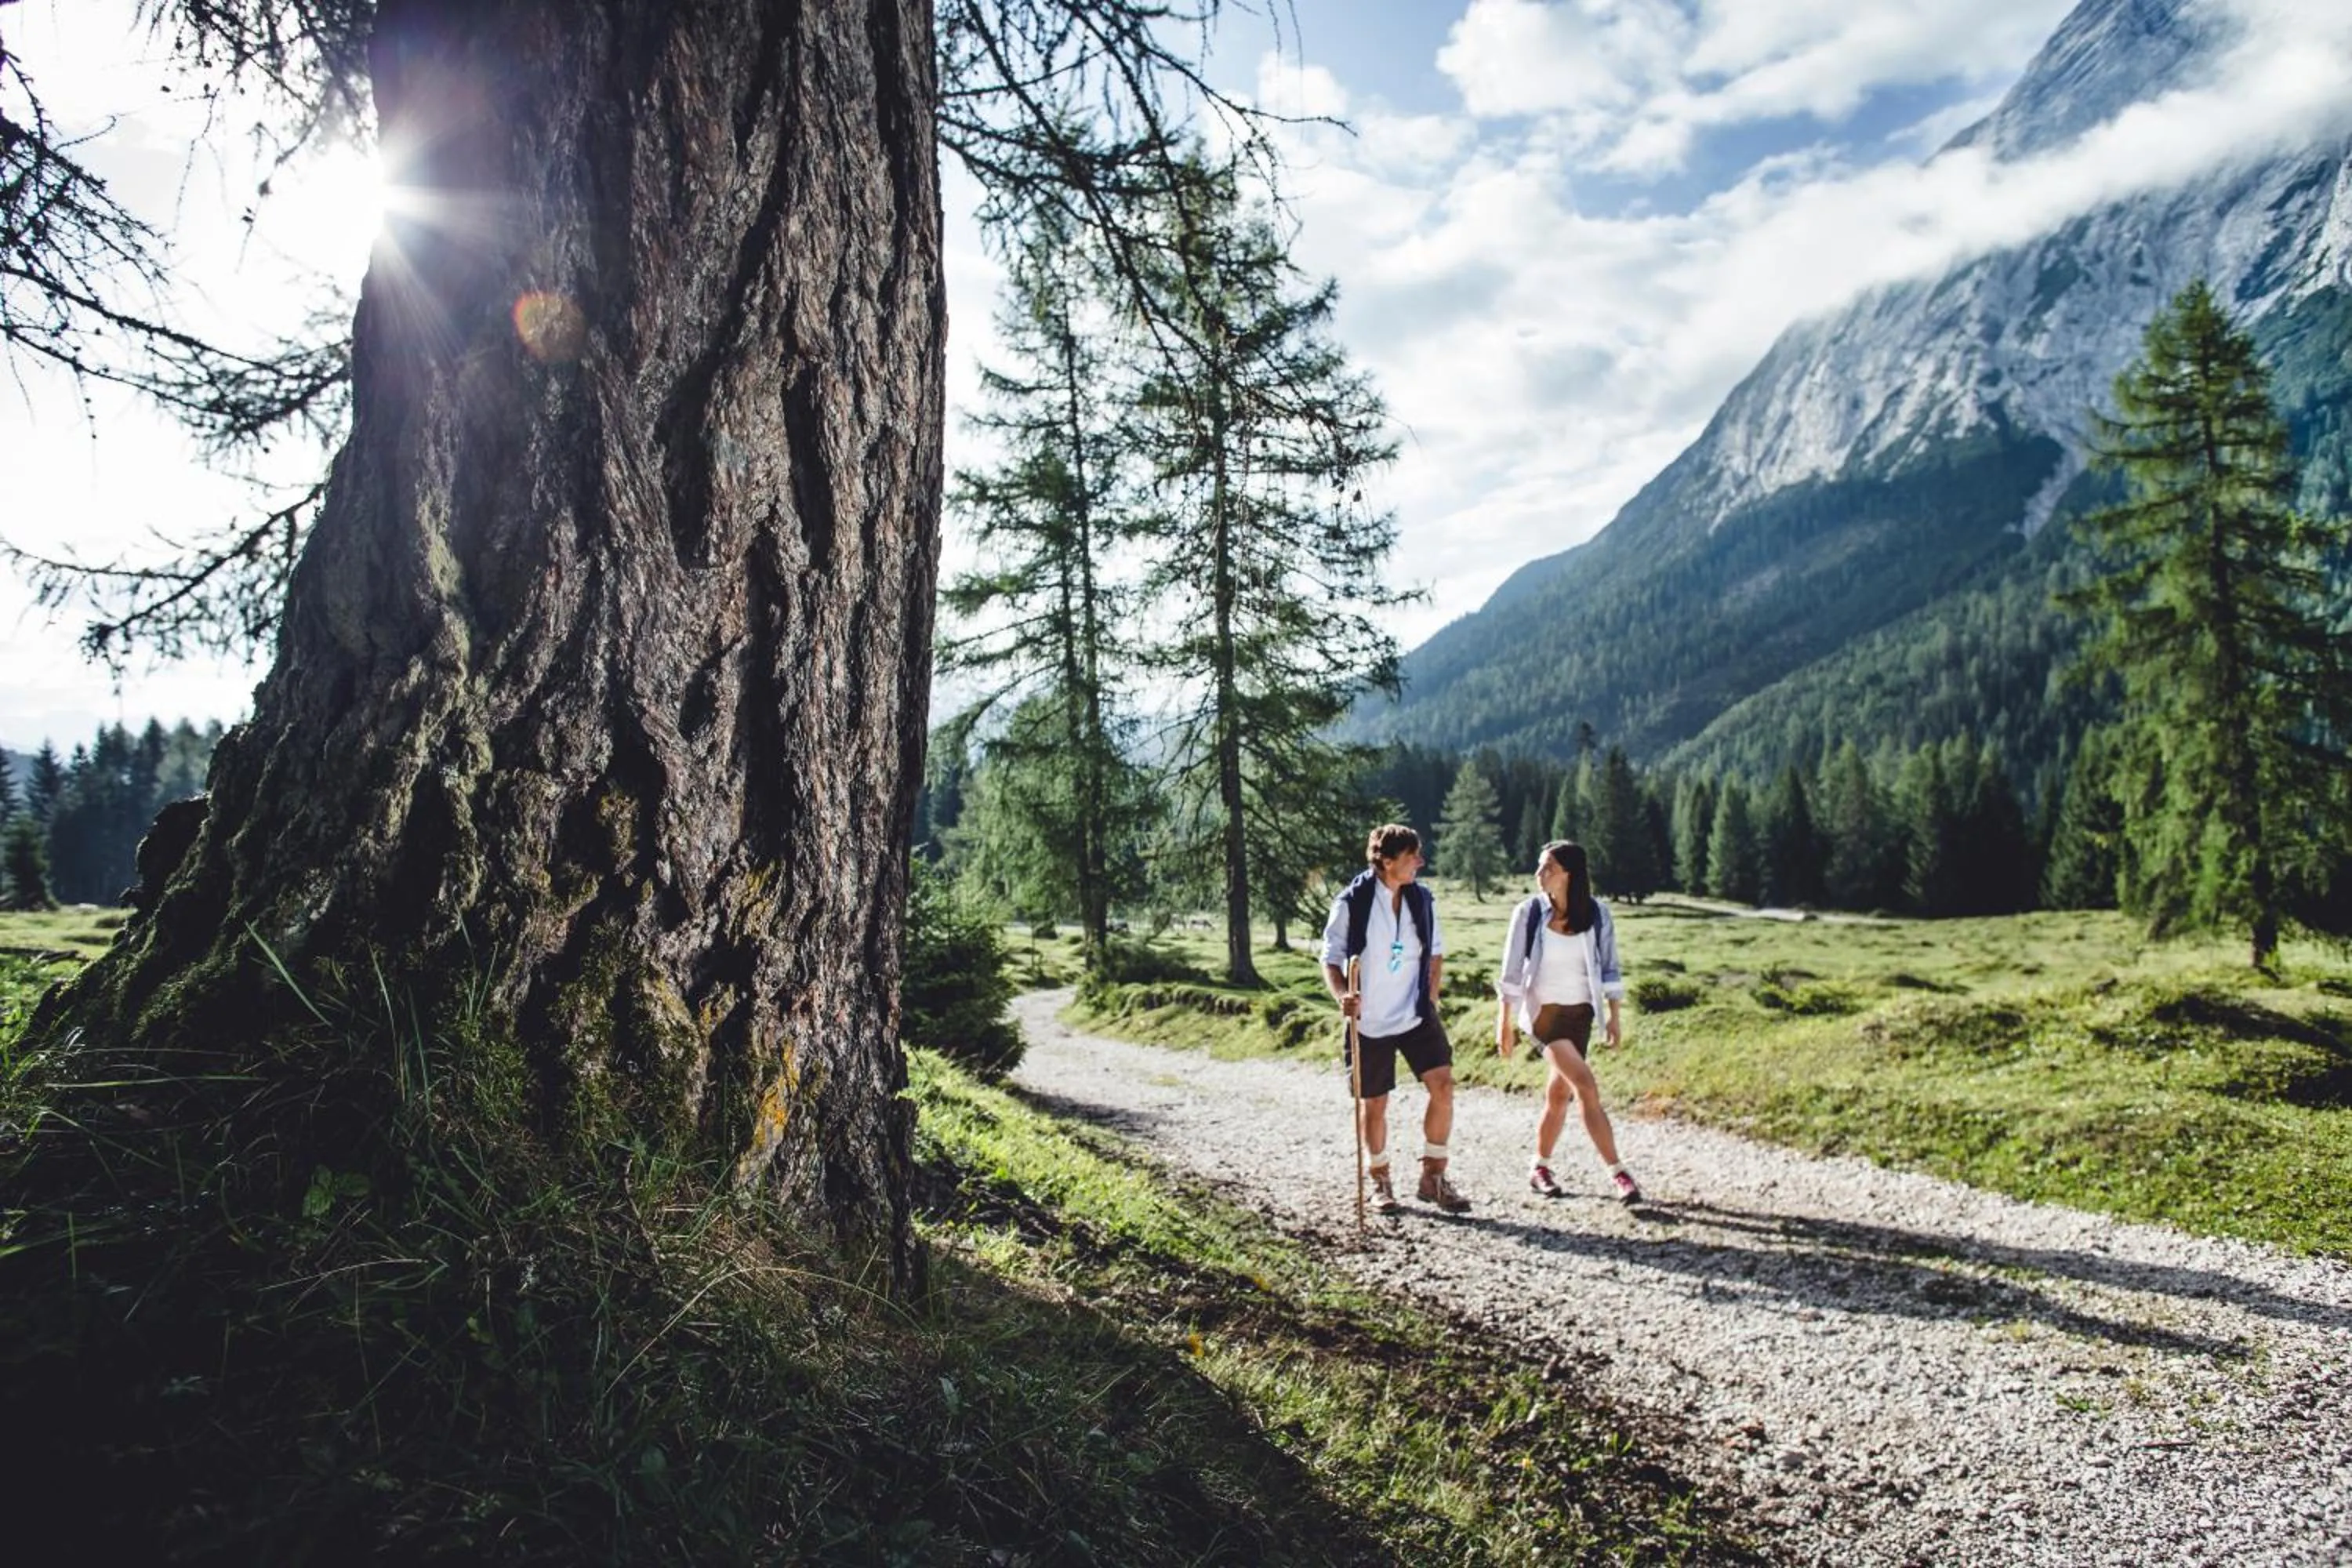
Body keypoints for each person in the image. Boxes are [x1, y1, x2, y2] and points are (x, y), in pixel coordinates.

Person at [1322, 824, 1471, 1214]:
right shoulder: (1352, 903)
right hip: (1369, 1019)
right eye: (1412, 857)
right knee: (1375, 1104)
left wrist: (1432, 997)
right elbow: (1331, 959)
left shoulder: (1421, 900)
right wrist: (1343, 996)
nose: (1420, 862)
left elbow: (1434, 952)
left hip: (1415, 1013)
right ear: (1387, 862)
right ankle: (1380, 1181)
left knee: (1443, 1086)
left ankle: (1433, 1177)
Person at [1494, 840, 1643, 1203]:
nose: (1539, 874)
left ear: (1569, 876)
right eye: (1540, 866)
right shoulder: (1529, 913)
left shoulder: (1597, 915)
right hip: (1545, 1016)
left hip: (1581, 1014)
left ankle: (1539, 1166)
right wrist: (1505, 1022)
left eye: (1548, 868)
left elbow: (1609, 967)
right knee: (1586, 1086)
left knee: (1558, 1093)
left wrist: (1613, 1016)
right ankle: (1619, 1173)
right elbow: (1511, 972)